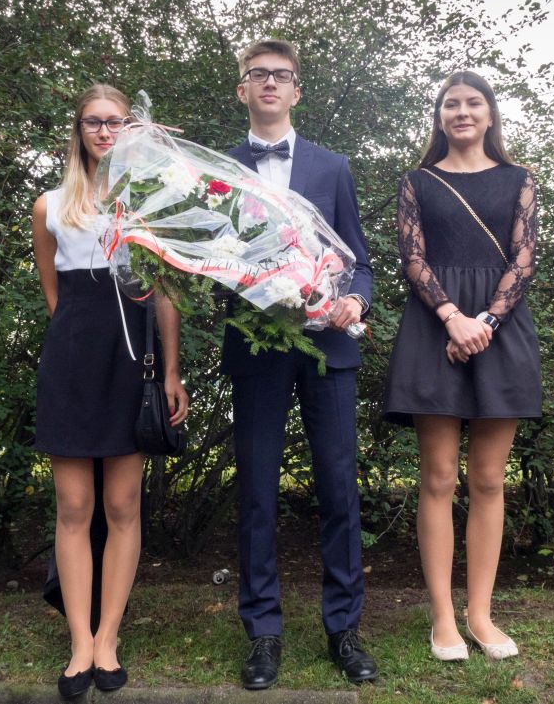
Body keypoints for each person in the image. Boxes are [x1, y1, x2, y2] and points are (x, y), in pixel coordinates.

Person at [221, 39, 376, 688]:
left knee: (339, 489)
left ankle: (344, 628)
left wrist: (353, 300)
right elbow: (210, 258)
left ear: (296, 90)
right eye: (258, 74)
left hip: (328, 348)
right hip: (256, 346)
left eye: (281, 75)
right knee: (257, 490)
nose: (270, 83)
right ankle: (263, 630)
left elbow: (359, 261)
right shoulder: (220, 170)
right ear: (242, 89)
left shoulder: (332, 167)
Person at [32, 84, 189, 697]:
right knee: (73, 508)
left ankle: (107, 639)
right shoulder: (50, 207)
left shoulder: (145, 205)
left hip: (132, 365)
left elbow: (165, 294)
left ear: (131, 130)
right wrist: (77, 349)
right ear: (78, 130)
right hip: (72, 364)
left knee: (123, 507)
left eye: (116, 122)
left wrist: (170, 371)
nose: (104, 132)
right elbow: (56, 298)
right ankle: (79, 643)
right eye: (94, 122)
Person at [384, 71, 541, 661]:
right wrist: (453, 318)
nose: (462, 111)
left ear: (490, 114)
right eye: (451, 104)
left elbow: (523, 261)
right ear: (440, 116)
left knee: (489, 480)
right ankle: (443, 619)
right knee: (438, 477)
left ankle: (480, 615)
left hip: (501, 328)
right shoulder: (418, 181)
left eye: (474, 102)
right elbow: (412, 257)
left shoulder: (519, 180)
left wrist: (486, 324)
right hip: (434, 326)